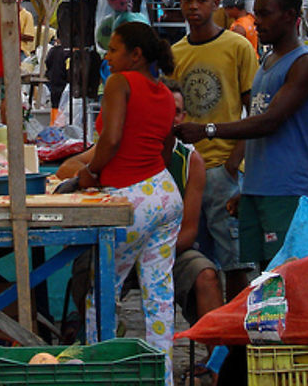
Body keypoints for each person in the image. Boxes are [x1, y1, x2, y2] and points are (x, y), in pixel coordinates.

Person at [175, 0, 308, 279]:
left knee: (285, 275)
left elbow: (269, 121)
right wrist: (249, 187)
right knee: (259, 275)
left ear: (289, 15)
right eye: (256, 13)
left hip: (287, 189)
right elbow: (256, 115)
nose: (257, 21)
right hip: (259, 188)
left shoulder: (305, 64)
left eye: (266, 14)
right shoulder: (268, 61)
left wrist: (208, 130)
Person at [74, 21, 182, 384]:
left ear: (135, 55)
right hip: (164, 194)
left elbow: (112, 137)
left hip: (130, 199)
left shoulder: (120, 83)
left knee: (103, 290)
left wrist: (91, 172)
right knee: (159, 296)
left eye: (114, 49)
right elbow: (166, 150)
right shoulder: (165, 94)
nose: (108, 55)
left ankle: (99, 372)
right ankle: (162, 377)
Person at [170, 0, 258, 294]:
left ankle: (235, 342)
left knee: (237, 263)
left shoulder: (237, 46)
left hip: (225, 172)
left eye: (201, 0)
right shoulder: (177, 52)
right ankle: (208, 336)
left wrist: (235, 161)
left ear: (215, 2)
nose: (194, 7)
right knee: (199, 265)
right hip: (189, 172)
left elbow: (255, 108)